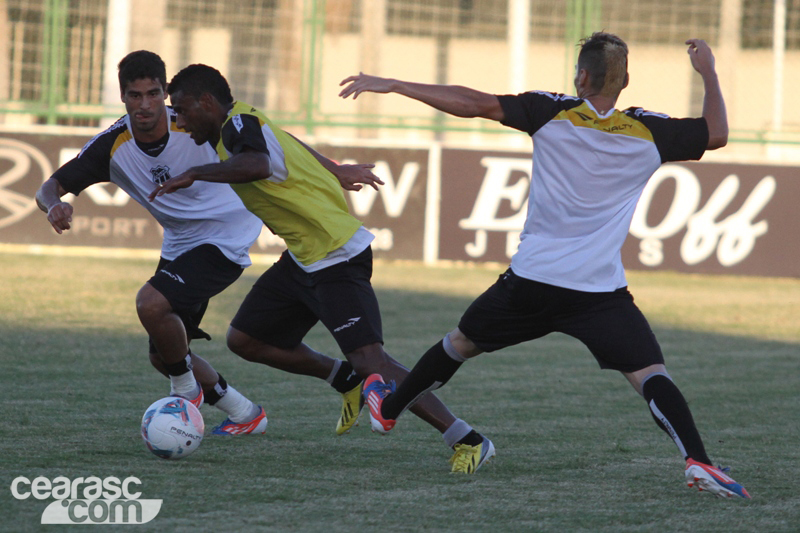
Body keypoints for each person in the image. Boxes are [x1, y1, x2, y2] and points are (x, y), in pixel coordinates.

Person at [339, 34, 751, 497]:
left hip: (531, 283)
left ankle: (389, 411)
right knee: (650, 375)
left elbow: (473, 102)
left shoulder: (550, 112)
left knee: (459, 344)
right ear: (626, 81)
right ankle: (698, 461)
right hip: (597, 293)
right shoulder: (649, 132)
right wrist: (709, 72)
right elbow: (716, 133)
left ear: (581, 77)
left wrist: (394, 83)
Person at [150, 63, 495, 472]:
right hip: (303, 258)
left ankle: (467, 439)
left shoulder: (236, 125)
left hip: (335, 255)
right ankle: (345, 381)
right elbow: (286, 141)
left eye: (183, 109)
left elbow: (258, 164)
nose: (181, 121)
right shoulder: (244, 120)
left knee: (374, 362)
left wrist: (194, 173)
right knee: (245, 339)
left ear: (207, 102)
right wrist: (335, 167)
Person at [36, 50, 368, 437]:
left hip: (228, 232)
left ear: (164, 93)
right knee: (165, 354)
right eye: (134, 96)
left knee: (152, 303)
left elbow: (271, 137)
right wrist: (53, 205)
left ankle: (185, 392)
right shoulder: (111, 145)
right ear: (123, 98)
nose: (145, 105)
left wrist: (334, 168)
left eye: (153, 94)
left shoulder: (193, 120)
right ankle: (249, 411)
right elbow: (48, 187)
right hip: (181, 243)